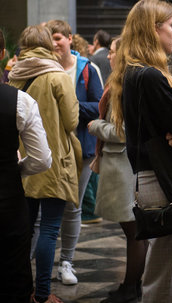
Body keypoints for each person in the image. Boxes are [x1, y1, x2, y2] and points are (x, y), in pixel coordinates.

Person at [110, 0, 172, 303]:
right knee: (164, 271)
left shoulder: (134, 72)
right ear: (153, 29)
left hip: (152, 178)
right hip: (163, 180)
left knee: (171, 267)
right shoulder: (150, 75)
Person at [8, 24, 81, 303]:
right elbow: (72, 120)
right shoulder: (57, 76)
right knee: (50, 229)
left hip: (23, 162)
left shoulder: (14, 75)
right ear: (48, 45)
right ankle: (41, 293)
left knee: (25, 230)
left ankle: (22, 289)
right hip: (53, 162)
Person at [88, 37, 148, 302]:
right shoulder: (121, 82)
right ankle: (132, 286)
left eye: (112, 52)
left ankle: (131, 288)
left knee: (134, 232)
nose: (108, 56)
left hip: (125, 164)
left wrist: (95, 126)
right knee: (133, 232)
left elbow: (124, 131)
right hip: (122, 163)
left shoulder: (123, 85)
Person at [45, 19, 104, 285]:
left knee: (73, 207)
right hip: (48, 148)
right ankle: (36, 266)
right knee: (40, 210)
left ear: (70, 38)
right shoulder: (43, 68)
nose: (55, 43)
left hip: (81, 149)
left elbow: (101, 106)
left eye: (58, 37)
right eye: (50, 39)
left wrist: (70, 107)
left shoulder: (87, 69)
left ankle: (66, 262)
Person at [0, 28, 52, 303]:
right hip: (7, 201)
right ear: (2, 55)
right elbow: (43, 158)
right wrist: (15, 169)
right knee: (13, 280)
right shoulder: (19, 101)